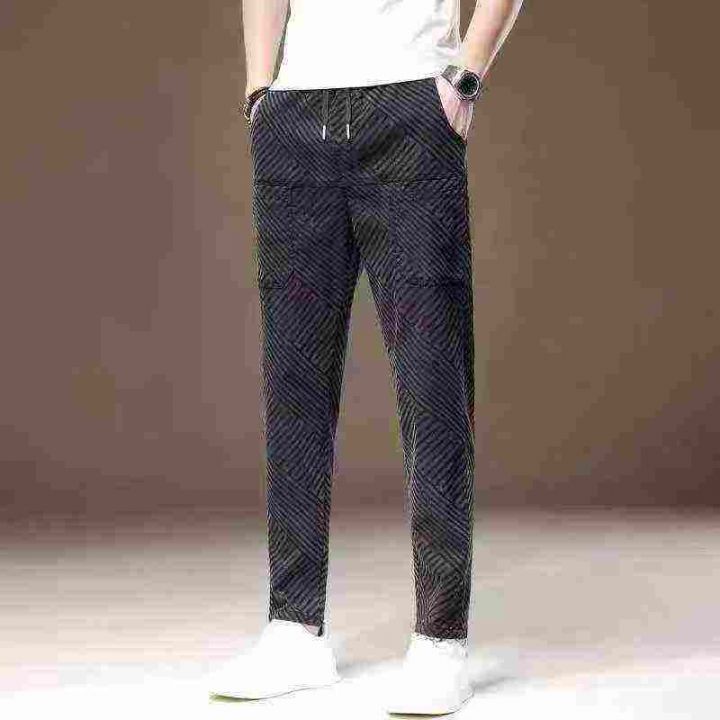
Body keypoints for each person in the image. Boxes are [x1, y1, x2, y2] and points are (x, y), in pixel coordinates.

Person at [209, 0, 524, 713]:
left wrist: (466, 77)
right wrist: (260, 89)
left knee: (433, 380)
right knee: (294, 384)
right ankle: (293, 631)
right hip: (295, 112)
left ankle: (440, 641)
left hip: (411, 107)